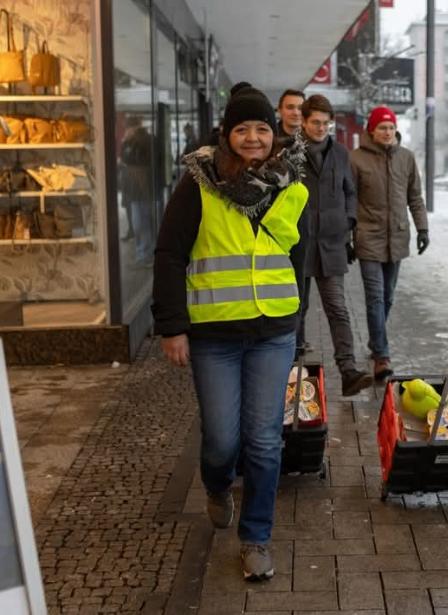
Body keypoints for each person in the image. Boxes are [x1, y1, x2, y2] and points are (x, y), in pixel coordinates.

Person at [152, 82, 308, 581]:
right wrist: (172, 327)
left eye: (262, 128)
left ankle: (256, 537)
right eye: (242, 128)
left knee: (264, 441)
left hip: (272, 333)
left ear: (275, 133)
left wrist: (298, 322)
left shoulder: (293, 184)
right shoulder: (198, 185)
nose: (254, 137)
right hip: (214, 336)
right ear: (226, 135)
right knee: (222, 440)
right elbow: (169, 255)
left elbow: (297, 258)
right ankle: (216, 484)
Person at [299, 94, 373, 396]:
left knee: (338, 310)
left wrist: (349, 221)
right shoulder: (288, 153)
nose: (320, 128)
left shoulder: (341, 154)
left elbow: (350, 192)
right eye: (315, 122)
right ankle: (293, 372)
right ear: (303, 122)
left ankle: (348, 371)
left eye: (325, 123)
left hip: (331, 244)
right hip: (298, 244)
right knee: (296, 310)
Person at [350, 106, 429, 380]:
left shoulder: (406, 158)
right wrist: (349, 235)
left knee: (388, 297)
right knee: (375, 297)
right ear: (371, 130)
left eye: (391, 127)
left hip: (397, 236)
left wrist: (422, 228)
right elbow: (349, 202)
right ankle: (382, 356)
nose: (387, 132)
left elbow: (415, 197)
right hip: (368, 237)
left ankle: (375, 340)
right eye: (381, 127)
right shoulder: (356, 159)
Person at [120, 115, 152, 253]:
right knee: (137, 220)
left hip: (142, 185)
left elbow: (135, 160)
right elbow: (124, 158)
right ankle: (142, 251)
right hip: (133, 186)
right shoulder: (129, 142)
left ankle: (145, 251)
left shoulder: (144, 140)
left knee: (142, 220)